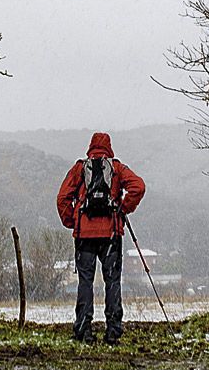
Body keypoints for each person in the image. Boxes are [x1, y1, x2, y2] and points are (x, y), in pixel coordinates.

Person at [56, 131, 145, 344]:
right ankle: (113, 330)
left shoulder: (80, 168)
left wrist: (73, 221)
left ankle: (83, 330)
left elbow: (62, 198)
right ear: (109, 147)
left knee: (85, 281)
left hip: (85, 235)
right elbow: (138, 186)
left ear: (90, 146)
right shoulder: (116, 168)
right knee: (112, 281)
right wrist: (123, 208)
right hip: (111, 234)